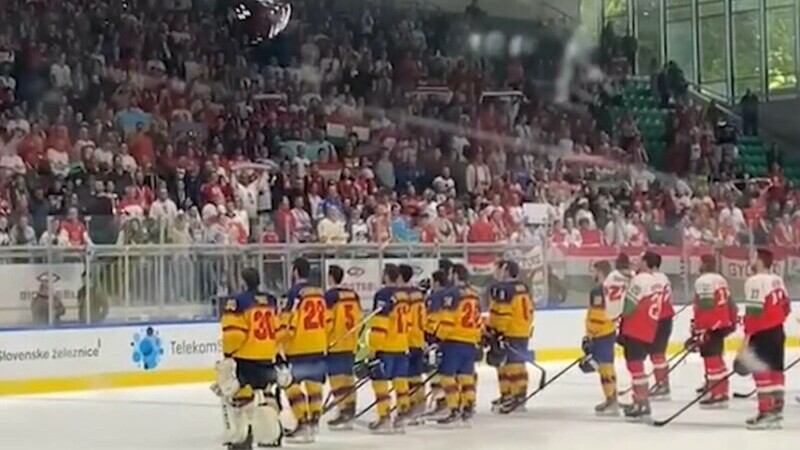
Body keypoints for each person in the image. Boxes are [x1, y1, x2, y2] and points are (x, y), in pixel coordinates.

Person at [215, 268, 287, 449]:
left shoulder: (238, 301)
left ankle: (243, 436)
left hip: (246, 358)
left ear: (243, 282)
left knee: (240, 396)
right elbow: (279, 330)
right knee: (267, 395)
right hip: (267, 357)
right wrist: (275, 351)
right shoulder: (270, 300)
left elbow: (234, 334)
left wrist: (228, 353)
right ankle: (273, 434)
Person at [738, 248, 790, 429]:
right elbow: (786, 307)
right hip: (778, 331)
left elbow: (754, 313)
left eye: (753, 258)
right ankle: (776, 412)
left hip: (762, 333)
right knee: (776, 371)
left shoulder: (754, 281)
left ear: (759, 261)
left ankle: (766, 412)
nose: (750, 260)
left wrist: (746, 339)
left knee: (761, 373)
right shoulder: (777, 280)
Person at [281, 258, 328, 442]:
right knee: (314, 384)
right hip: (318, 343)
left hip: (299, 345)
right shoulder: (320, 292)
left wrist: (281, 341)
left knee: (290, 384)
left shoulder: (294, 292)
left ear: (295, 271)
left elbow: (289, 317)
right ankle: (314, 422)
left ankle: (302, 422)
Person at [618, 251, 665, 421]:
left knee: (635, 367)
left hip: (635, 328)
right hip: (649, 327)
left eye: (640, 259)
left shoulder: (640, 280)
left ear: (645, 262)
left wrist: (619, 315)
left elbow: (629, 306)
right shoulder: (656, 281)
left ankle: (641, 402)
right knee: (638, 366)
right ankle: (640, 401)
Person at [582, 254, 631, 416]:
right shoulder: (613, 286)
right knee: (607, 365)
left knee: (604, 368)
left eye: (593, 271)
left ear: (600, 272)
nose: (592, 274)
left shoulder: (598, 290)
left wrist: (590, 335)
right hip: (610, 330)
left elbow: (597, 315)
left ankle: (611, 400)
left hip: (600, 332)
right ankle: (612, 397)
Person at [435, 264, 482, 425]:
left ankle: (454, 409)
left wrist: (438, 337)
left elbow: (447, 320)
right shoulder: (474, 294)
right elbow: (478, 319)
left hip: (454, 341)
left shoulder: (451, 293)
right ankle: (468, 408)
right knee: (466, 377)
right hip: (470, 341)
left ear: (454, 275)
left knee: (447, 376)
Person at [487, 260, 535, 414]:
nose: (496, 272)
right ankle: (509, 395)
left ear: (506, 270)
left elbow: (502, 312)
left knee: (513, 365)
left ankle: (517, 396)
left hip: (510, 331)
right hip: (521, 330)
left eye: (498, 269)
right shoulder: (523, 287)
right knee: (507, 364)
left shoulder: (504, 289)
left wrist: (497, 330)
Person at [689, 254, 736, 409]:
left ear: (705, 264)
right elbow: (728, 302)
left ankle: (717, 393)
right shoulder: (720, 279)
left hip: (711, 325)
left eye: (700, 262)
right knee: (717, 358)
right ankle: (721, 389)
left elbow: (706, 305)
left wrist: (699, 328)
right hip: (722, 322)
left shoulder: (703, 281)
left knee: (711, 359)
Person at [367, 264, 410, 433]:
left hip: (386, 345)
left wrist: (373, 348)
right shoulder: (404, 295)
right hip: (402, 344)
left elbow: (380, 323)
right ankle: (402, 417)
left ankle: (384, 417)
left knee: (380, 382)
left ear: (386, 276)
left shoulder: (383, 294)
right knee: (401, 382)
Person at [323, 265, 362, 430]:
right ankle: (350, 409)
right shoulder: (353, 295)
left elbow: (327, 321)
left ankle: (343, 411)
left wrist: (324, 341)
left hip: (336, 343)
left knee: (337, 379)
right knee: (348, 377)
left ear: (330, 277)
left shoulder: (330, 296)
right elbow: (360, 318)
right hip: (350, 343)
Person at [397, 263, 427, 420]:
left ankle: (409, 406)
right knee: (416, 375)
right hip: (419, 339)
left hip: (406, 340)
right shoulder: (418, 294)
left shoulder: (402, 295)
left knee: (406, 376)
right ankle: (420, 405)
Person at [423, 269, 449, 416]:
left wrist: (428, 336)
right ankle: (448, 400)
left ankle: (441, 402)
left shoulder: (435, 297)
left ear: (437, 282)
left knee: (433, 370)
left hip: (435, 338)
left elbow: (432, 319)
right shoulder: (451, 294)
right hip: (447, 338)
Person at [649, 252, 674, 400]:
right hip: (664, 317)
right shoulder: (663, 277)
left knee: (657, 353)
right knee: (657, 353)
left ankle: (663, 384)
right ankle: (662, 383)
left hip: (659, 318)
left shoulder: (653, 278)